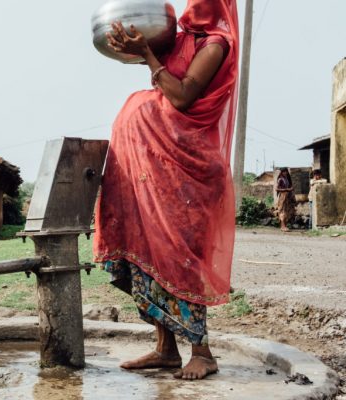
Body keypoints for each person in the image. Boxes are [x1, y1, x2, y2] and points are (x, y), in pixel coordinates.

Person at [93, 0, 239, 380]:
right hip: (152, 169)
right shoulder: (178, 40)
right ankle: (165, 349)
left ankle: (202, 353)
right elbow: (158, 72)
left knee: (181, 256)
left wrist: (147, 56)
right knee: (150, 251)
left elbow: (183, 96)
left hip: (188, 169)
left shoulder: (215, 44)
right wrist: (139, 49)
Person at [275, 167, 295, 232]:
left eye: (286, 172)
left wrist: (291, 189)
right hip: (282, 197)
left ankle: (283, 226)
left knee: (286, 211)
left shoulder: (287, 179)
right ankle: (283, 226)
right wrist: (287, 189)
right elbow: (277, 189)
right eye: (284, 172)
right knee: (282, 211)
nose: (285, 173)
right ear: (281, 172)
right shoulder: (280, 179)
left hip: (287, 197)